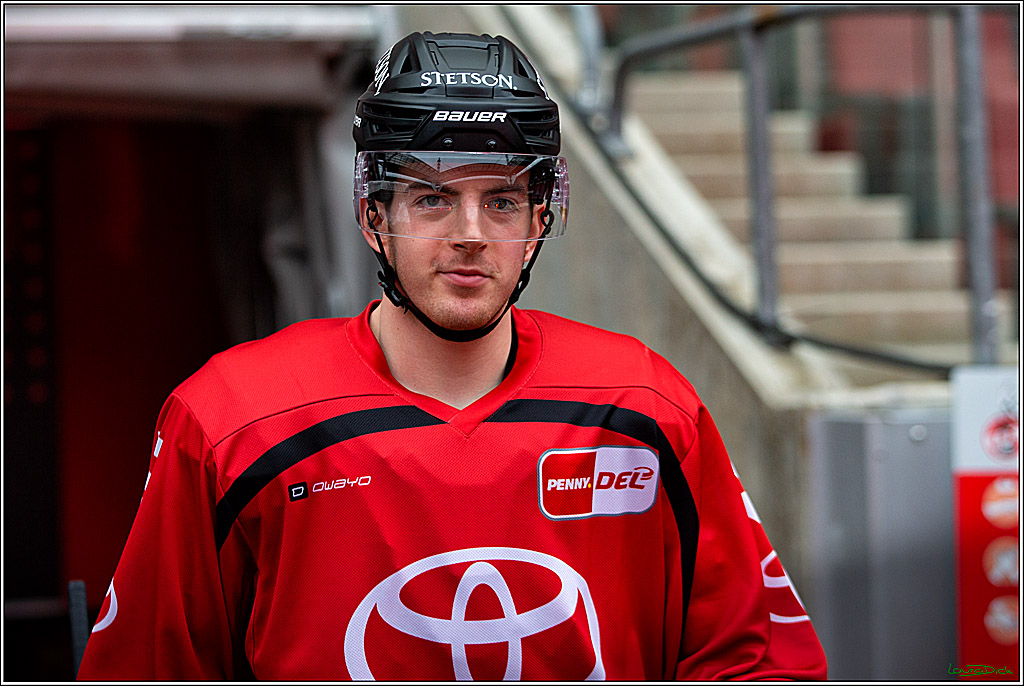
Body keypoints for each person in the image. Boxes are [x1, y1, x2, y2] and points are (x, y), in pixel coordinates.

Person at [77, 31, 827, 681]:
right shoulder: (232, 421)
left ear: (538, 222)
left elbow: (758, 658)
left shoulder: (644, 406)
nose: (470, 233)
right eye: (431, 199)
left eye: (501, 201)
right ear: (375, 220)